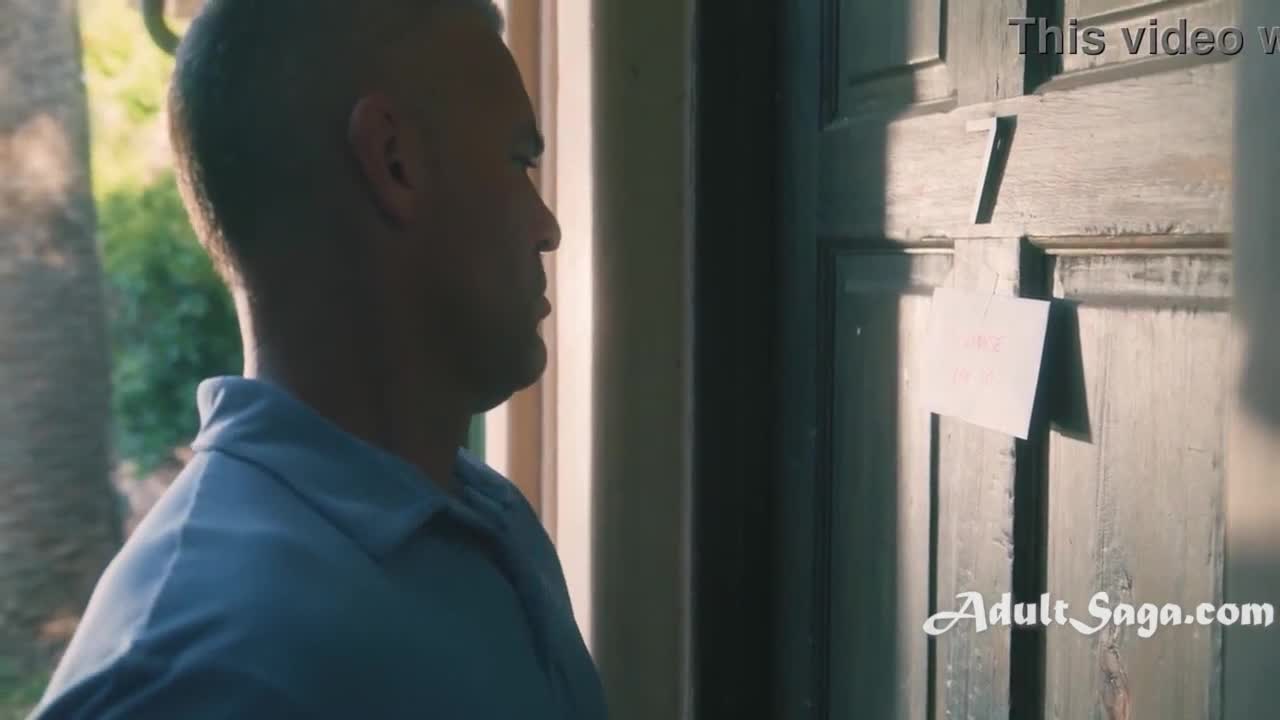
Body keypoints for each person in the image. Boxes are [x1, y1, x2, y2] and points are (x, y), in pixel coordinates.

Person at [30, 0, 607, 717]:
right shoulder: (198, 663)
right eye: (518, 161)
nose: (548, 228)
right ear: (393, 161)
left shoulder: (490, 519)